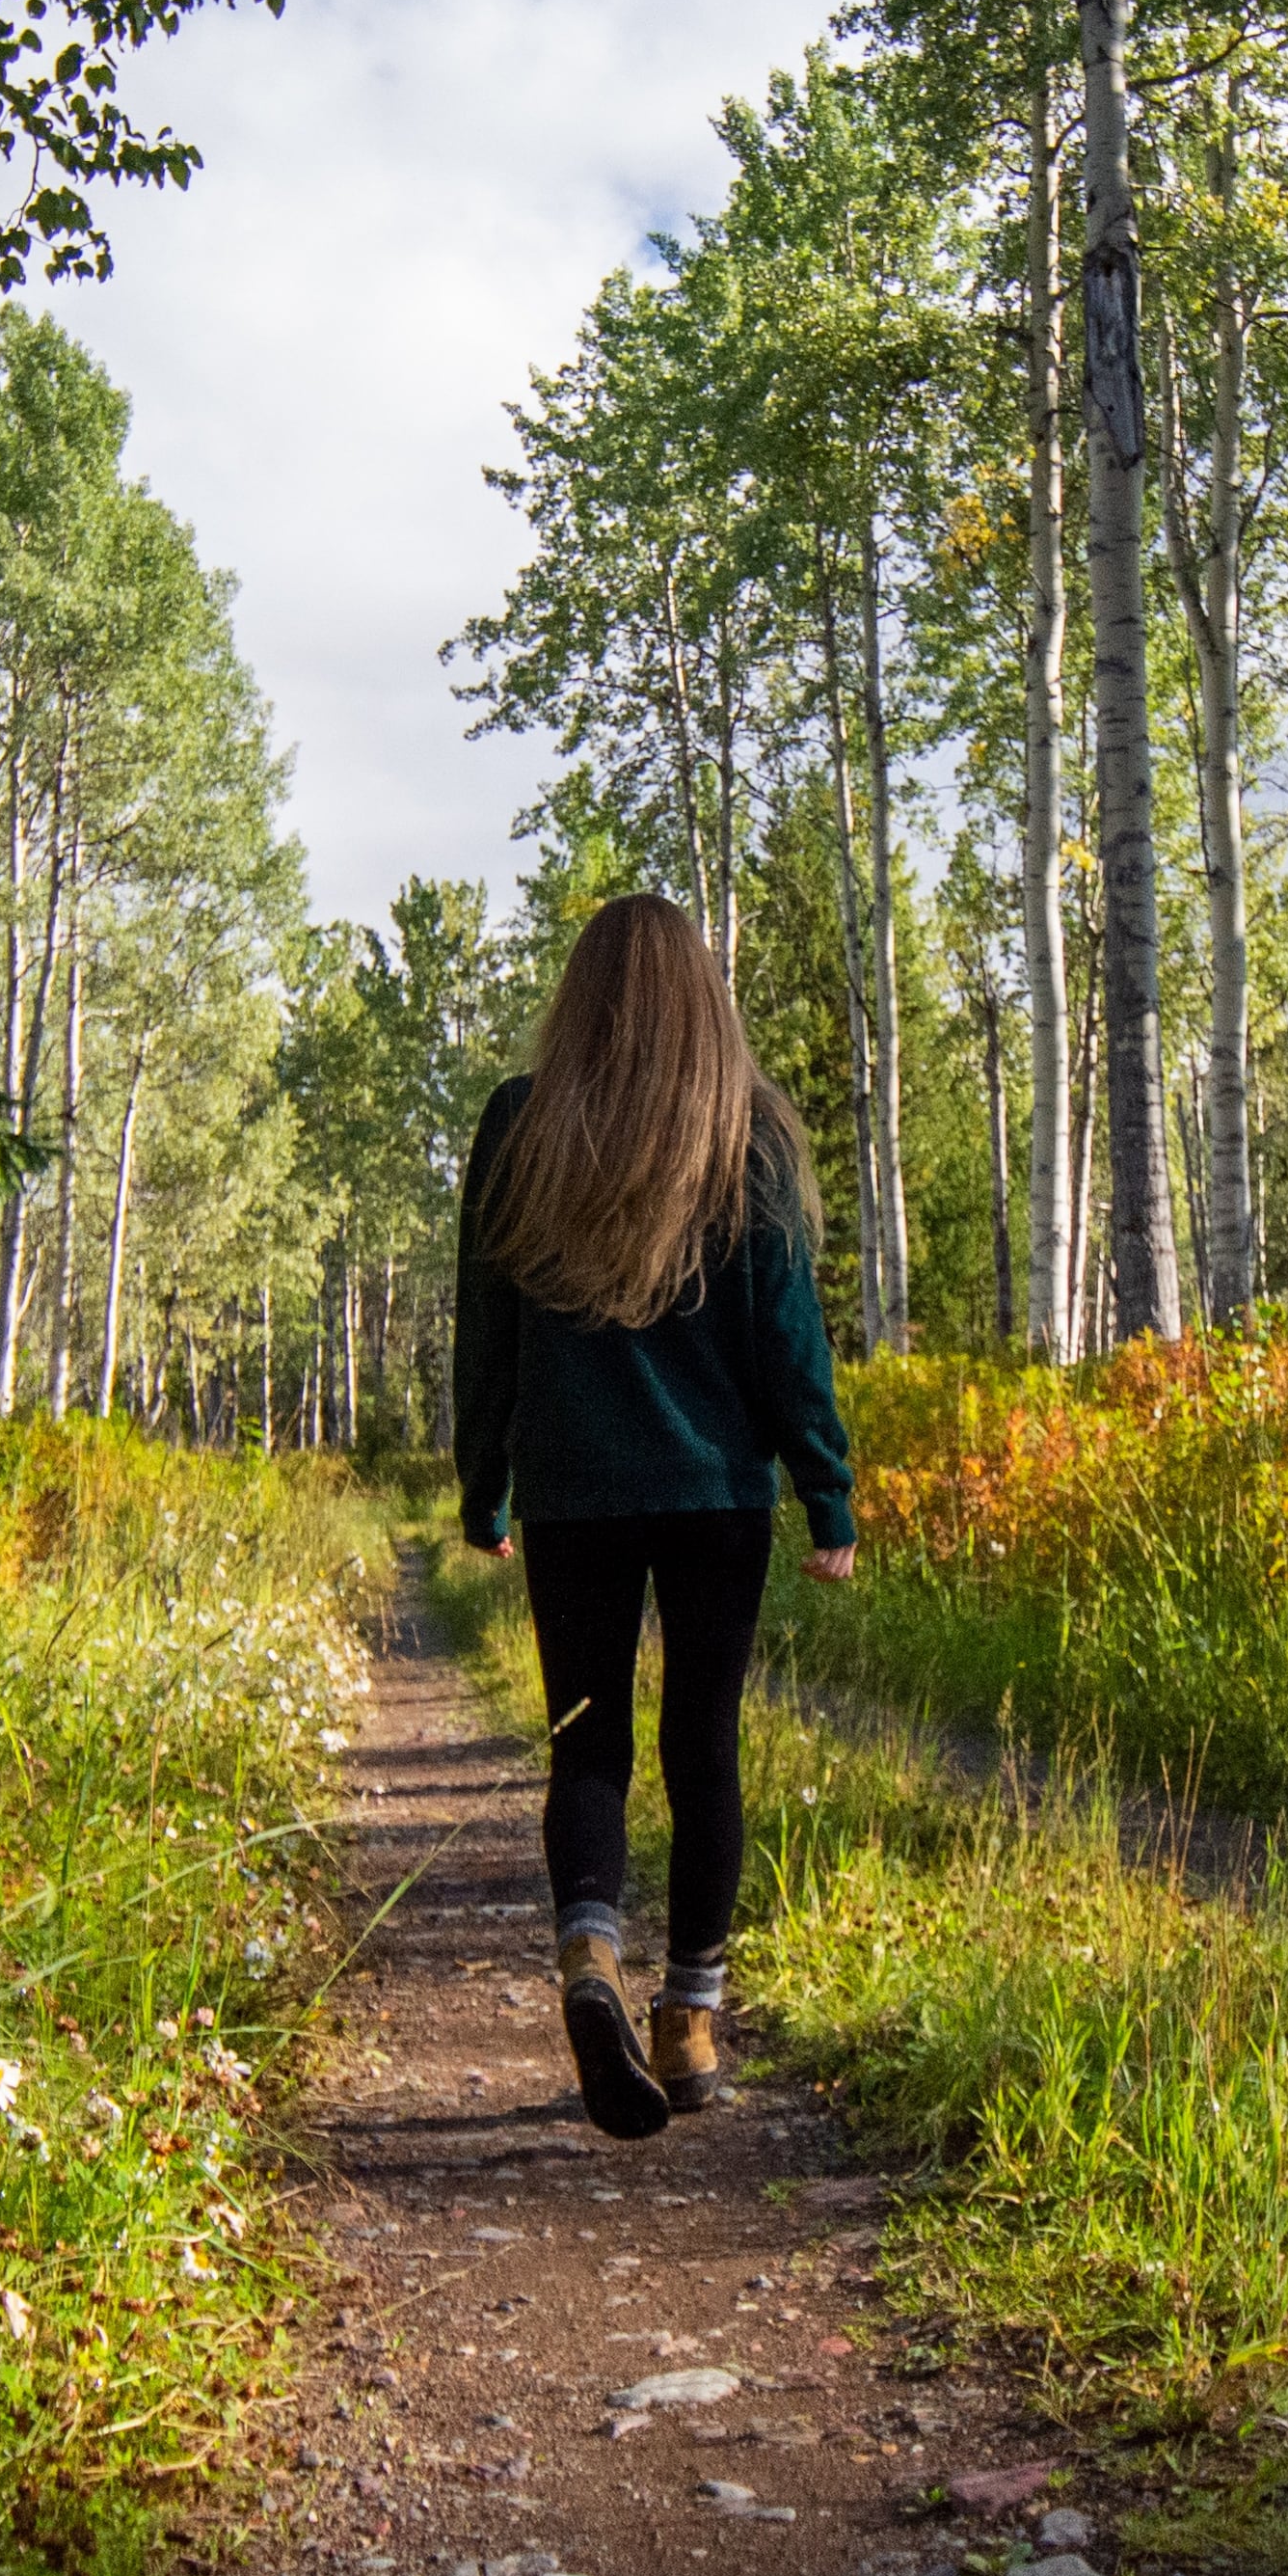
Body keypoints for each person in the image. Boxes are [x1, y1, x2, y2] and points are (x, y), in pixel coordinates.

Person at [451, 894, 856, 2141]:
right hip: (717, 1497)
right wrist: (826, 1489)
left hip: (576, 1493)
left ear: (580, 997)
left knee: (587, 1744)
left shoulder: (523, 1124)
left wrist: (486, 1483)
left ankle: (588, 1958)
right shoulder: (751, 1137)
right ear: (704, 997)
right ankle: (689, 2020)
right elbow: (790, 1344)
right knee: (704, 1744)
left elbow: (485, 1333)